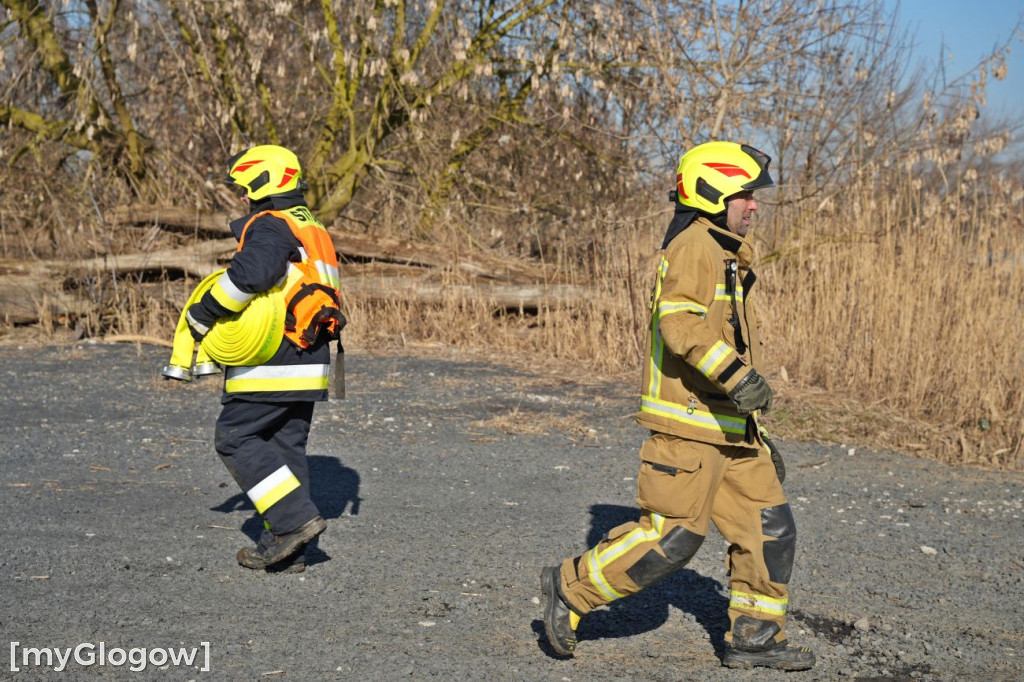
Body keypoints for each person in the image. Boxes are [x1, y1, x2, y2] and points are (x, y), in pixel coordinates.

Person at [540, 141, 814, 670]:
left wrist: (751, 424)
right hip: (688, 426)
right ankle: (570, 588)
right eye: (746, 196)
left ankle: (754, 637)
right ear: (715, 194)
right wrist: (739, 377)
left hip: (728, 428)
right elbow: (681, 324)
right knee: (674, 538)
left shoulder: (724, 249)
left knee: (770, 528)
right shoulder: (695, 246)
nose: (755, 206)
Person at [184, 144, 345, 574]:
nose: (241, 198)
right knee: (283, 443)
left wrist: (204, 312)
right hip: (310, 356)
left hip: (274, 354)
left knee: (235, 437)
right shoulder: (310, 226)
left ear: (264, 185)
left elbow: (252, 275)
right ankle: (288, 549)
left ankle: (293, 523)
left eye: (245, 189)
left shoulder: (271, 225)